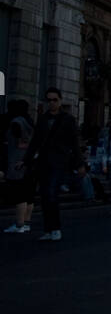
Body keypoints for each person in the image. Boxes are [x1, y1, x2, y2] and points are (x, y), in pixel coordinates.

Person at [23, 87, 85, 242]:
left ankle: (55, 228)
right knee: (45, 196)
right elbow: (35, 142)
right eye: (49, 100)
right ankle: (49, 229)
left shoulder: (67, 119)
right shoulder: (43, 119)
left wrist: (79, 164)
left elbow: (74, 143)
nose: (51, 103)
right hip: (43, 162)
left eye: (54, 100)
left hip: (59, 162)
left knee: (51, 193)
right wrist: (25, 160)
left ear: (60, 101)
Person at [2, 99, 36, 234]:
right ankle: (26, 222)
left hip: (17, 161)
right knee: (29, 194)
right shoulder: (29, 121)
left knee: (20, 194)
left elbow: (19, 143)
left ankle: (19, 223)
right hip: (31, 161)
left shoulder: (16, 122)